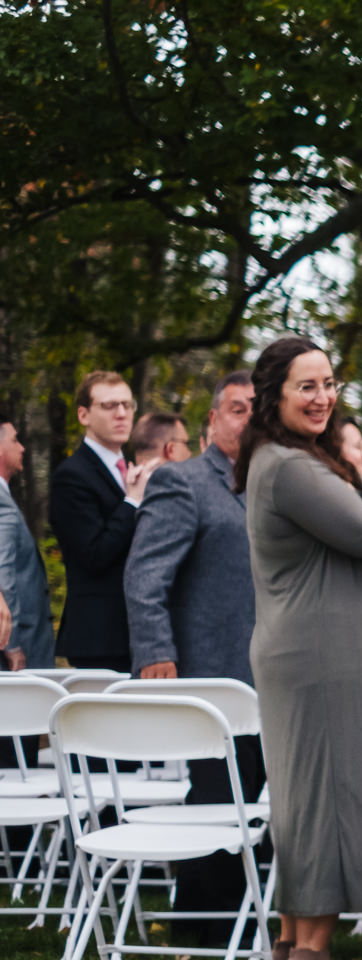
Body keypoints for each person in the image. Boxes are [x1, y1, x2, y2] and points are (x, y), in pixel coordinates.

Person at [242, 336, 362, 960]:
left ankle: (296, 944)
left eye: (329, 383)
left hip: (321, 653)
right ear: (274, 396)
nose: (322, 397)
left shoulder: (289, 459)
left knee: (315, 795)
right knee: (326, 798)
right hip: (321, 659)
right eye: (305, 386)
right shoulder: (286, 466)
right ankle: (309, 958)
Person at [124, 370, 264, 928]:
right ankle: (201, 924)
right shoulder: (182, 482)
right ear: (212, 419)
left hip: (268, 672)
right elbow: (144, 576)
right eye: (238, 409)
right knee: (215, 799)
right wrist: (156, 652)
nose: (249, 418)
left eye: (259, 409)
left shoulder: (273, 483)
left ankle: (249, 918)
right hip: (209, 672)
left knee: (254, 802)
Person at [52, 370, 150, 670]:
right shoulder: (71, 476)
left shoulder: (130, 469)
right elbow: (93, 554)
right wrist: (132, 501)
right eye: (109, 406)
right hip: (99, 636)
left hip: (138, 632)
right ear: (84, 414)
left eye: (127, 405)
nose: (121, 414)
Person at [0, 418, 53, 670]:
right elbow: (3, 568)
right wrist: (12, 644)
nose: (22, 448)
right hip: (20, 641)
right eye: (14, 440)